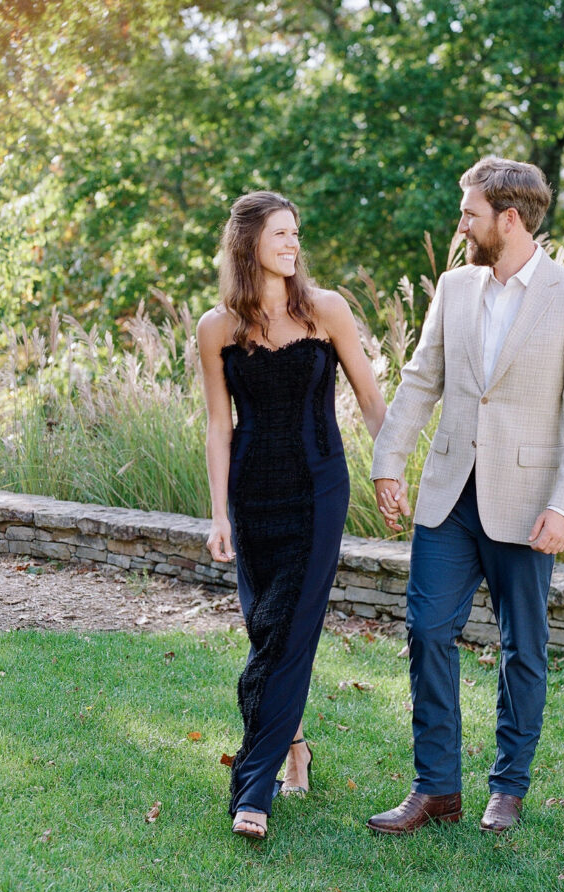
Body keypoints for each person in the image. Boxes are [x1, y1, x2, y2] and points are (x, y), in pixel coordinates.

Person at [367, 156, 564, 836]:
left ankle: (507, 788)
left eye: (470, 213)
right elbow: (421, 381)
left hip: (529, 503)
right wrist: (390, 457)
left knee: (522, 647)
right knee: (426, 630)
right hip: (449, 497)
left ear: (508, 219)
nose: (461, 224)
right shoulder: (455, 287)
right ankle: (436, 788)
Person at [197, 191, 388, 840]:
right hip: (252, 497)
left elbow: (368, 396)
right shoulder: (216, 327)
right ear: (248, 242)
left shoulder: (326, 310)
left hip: (318, 492)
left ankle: (254, 791)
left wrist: (389, 473)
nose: (292, 244)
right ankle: (295, 748)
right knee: (266, 630)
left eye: (296, 234)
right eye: (280, 233)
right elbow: (219, 426)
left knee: (285, 633)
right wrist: (218, 513)